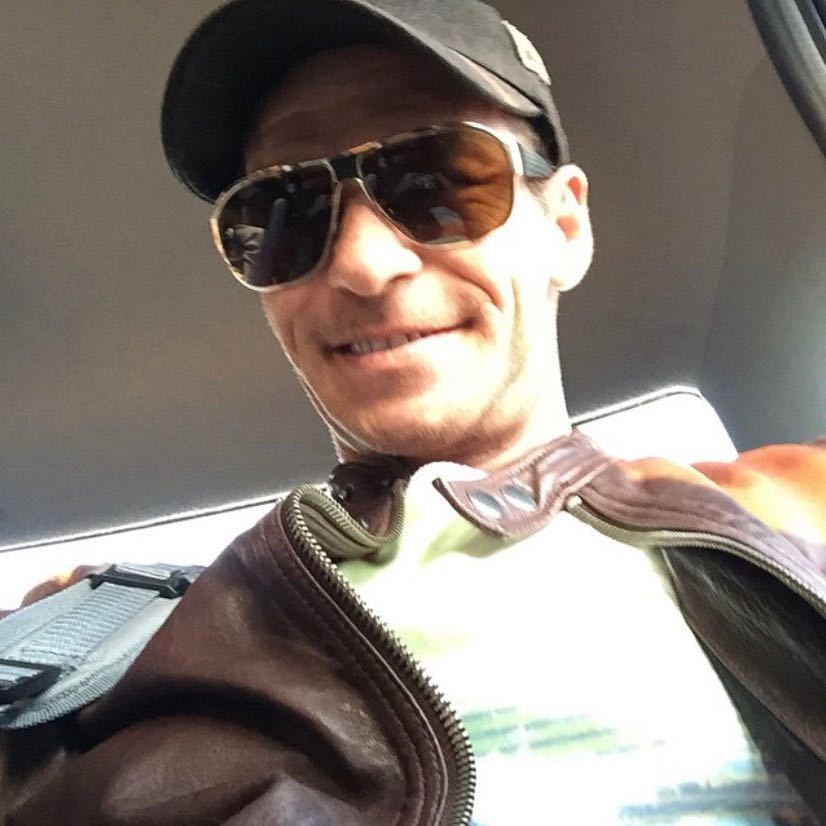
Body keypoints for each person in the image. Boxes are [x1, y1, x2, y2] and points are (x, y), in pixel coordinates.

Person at [2, 0, 825, 823]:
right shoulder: (91, 644)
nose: (362, 263)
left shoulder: (795, 508)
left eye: (435, 180)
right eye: (284, 212)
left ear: (565, 226)